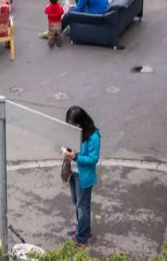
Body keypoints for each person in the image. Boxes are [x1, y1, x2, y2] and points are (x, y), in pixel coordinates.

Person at [63, 106, 101, 247]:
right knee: (79, 203)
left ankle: (82, 238)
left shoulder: (93, 136)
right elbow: (67, 143)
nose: (71, 127)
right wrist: (65, 150)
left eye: (74, 125)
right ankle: (83, 230)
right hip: (73, 173)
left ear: (82, 122)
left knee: (82, 206)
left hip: (83, 177)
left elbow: (93, 159)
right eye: (69, 124)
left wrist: (76, 156)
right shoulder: (74, 132)